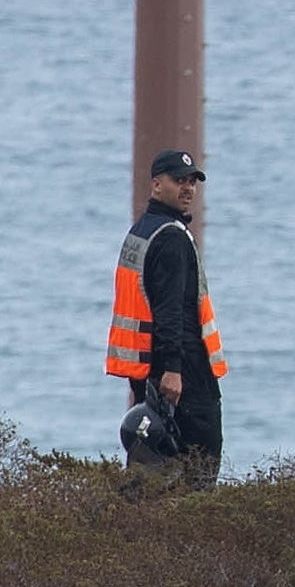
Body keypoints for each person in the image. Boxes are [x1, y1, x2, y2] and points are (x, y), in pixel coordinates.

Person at [108, 149, 225, 483]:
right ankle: (190, 532)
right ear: (157, 185)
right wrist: (173, 370)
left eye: (192, 182)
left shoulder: (142, 231)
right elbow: (170, 311)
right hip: (181, 372)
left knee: (152, 466)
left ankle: (147, 531)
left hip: (146, 369)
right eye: (179, 181)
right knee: (199, 466)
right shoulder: (171, 237)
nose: (187, 188)